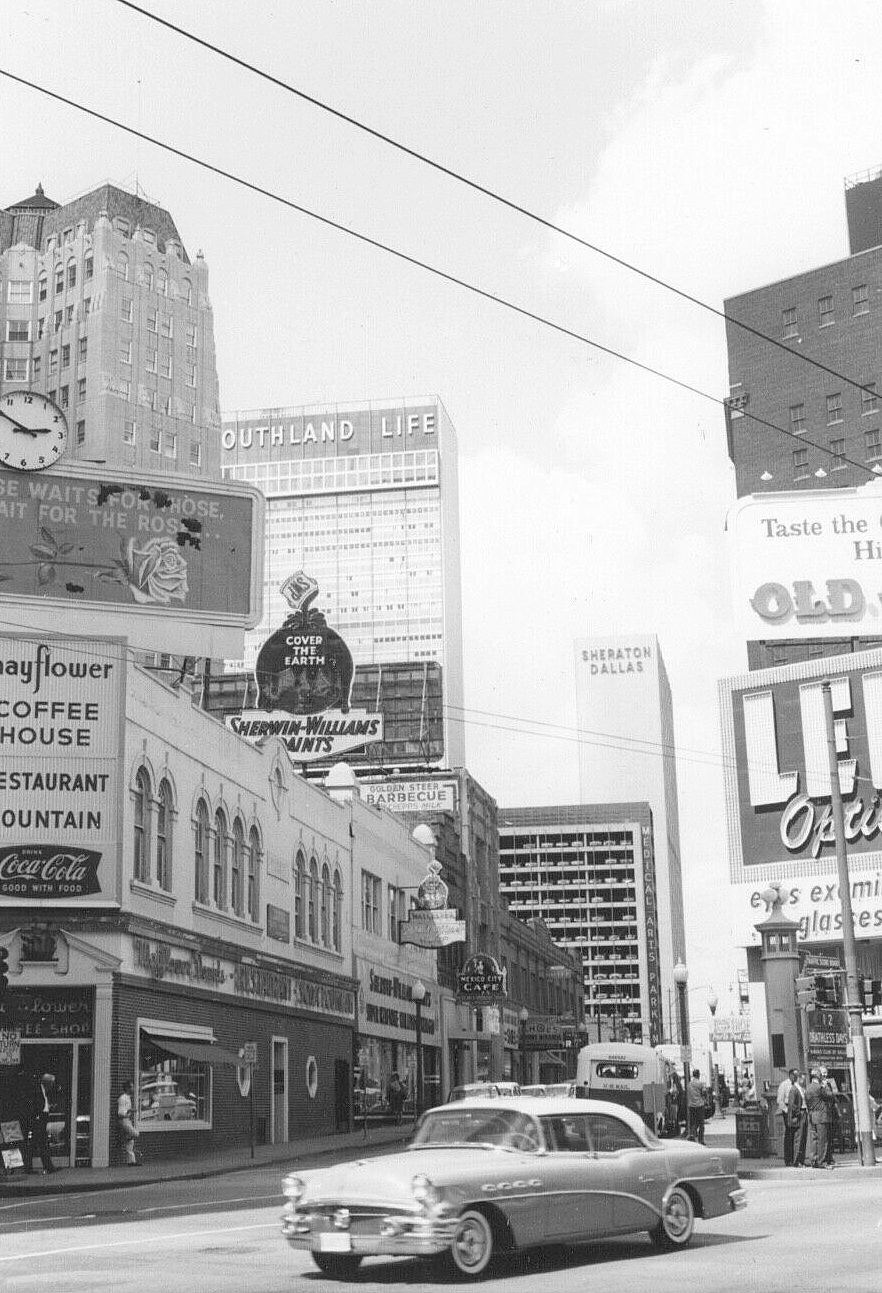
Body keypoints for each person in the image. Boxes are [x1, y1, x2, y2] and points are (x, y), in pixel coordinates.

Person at [28, 1073, 57, 1175]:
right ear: (47, 1083)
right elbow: (34, 1104)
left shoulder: (44, 1090)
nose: (52, 1085)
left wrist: (48, 1108)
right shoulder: (37, 1090)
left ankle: (48, 1166)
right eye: (51, 1083)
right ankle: (46, 1167)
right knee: (39, 1143)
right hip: (38, 1119)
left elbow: (42, 1103)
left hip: (42, 1118)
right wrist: (37, 1115)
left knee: (40, 1143)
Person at [806, 1068, 834, 1169]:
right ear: (818, 1076)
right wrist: (826, 1085)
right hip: (822, 1116)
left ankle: (814, 1160)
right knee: (823, 1140)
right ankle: (822, 1161)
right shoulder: (819, 1088)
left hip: (812, 1116)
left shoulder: (808, 1088)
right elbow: (830, 1095)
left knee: (815, 1139)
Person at [117, 1080, 141, 1166]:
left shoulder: (128, 1097)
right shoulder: (123, 1098)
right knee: (135, 1134)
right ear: (127, 1088)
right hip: (124, 1120)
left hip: (127, 1120)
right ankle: (125, 1138)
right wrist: (130, 1110)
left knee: (131, 1142)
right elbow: (120, 1112)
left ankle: (131, 1161)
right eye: (131, 1087)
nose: (133, 1088)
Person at [787, 1072, 808, 1167]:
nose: (804, 1081)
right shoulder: (794, 1090)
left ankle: (801, 1160)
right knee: (798, 1139)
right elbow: (792, 1105)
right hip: (799, 1116)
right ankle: (796, 1161)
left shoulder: (801, 1089)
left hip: (804, 1114)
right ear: (798, 1079)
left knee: (803, 1138)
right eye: (803, 1079)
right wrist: (798, 1114)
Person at [776, 1069, 797, 1164]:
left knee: (796, 1134)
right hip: (788, 1109)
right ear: (790, 1075)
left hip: (796, 1109)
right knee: (789, 1134)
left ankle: (795, 1157)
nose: (796, 1077)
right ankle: (788, 1159)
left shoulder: (797, 1084)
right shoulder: (784, 1085)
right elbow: (780, 1100)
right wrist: (786, 1110)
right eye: (794, 1075)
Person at [686, 1069, 708, 1143]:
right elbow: (704, 1092)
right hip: (699, 1105)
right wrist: (705, 1098)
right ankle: (701, 1139)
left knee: (693, 1122)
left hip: (691, 1106)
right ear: (698, 1075)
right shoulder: (700, 1083)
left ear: (693, 1075)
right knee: (701, 1123)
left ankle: (692, 1135)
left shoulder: (689, 1084)